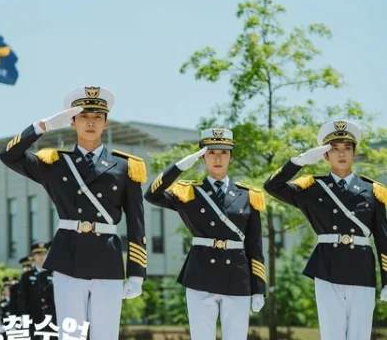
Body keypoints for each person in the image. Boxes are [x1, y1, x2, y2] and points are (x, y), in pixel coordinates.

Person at [0, 86, 147, 338]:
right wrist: (42, 126)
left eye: (97, 117)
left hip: (107, 259)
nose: (90, 123)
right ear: (72, 122)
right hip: (68, 258)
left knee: (105, 335)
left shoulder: (125, 166)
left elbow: (136, 223)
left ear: (106, 123)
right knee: (71, 335)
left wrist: (136, 273)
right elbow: (9, 156)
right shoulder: (54, 163)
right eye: (84, 117)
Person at [264, 119, 387, 340]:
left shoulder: (373, 191)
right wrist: (299, 161)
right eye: (334, 149)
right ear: (325, 155)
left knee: (360, 335)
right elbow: (272, 186)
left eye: (347, 148)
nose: (342, 153)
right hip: (327, 268)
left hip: (362, 268)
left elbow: (383, 238)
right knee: (332, 335)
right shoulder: (312, 188)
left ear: (354, 153)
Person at [144, 128, 266, 340]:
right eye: (211, 153)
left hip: (237, 275)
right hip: (201, 274)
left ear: (231, 157)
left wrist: (259, 287)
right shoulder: (188, 192)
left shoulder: (248, 195)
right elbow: (152, 195)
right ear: (202, 157)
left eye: (223, 152)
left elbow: (255, 245)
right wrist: (179, 167)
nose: (217, 158)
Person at [18, 242, 55, 332]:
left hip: (50, 318)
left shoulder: (53, 274)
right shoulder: (26, 276)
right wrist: (24, 316)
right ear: (33, 256)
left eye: (43, 254)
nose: (41, 257)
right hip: (33, 317)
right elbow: (22, 298)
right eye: (38, 254)